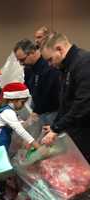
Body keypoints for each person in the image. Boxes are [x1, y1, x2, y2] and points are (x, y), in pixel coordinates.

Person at [0, 82, 39, 200]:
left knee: (3, 170)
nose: (23, 106)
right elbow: (20, 130)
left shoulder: (9, 110)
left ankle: (0, 193)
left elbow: (19, 124)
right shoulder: (7, 112)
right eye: (22, 102)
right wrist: (36, 144)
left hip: (0, 145)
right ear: (14, 100)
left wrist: (30, 120)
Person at [40, 32, 90, 163]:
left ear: (59, 49)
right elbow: (65, 102)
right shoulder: (66, 66)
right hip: (77, 128)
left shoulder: (84, 62)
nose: (50, 65)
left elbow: (83, 104)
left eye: (50, 59)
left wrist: (57, 129)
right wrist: (55, 125)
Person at [14, 39, 61, 126]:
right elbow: (27, 86)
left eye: (22, 60)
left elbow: (47, 93)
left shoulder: (48, 66)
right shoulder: (29, 68)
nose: (21, 63)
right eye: (19, 61)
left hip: (53, 111)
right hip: (40, 109)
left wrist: (36, 112)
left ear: (32, 52)